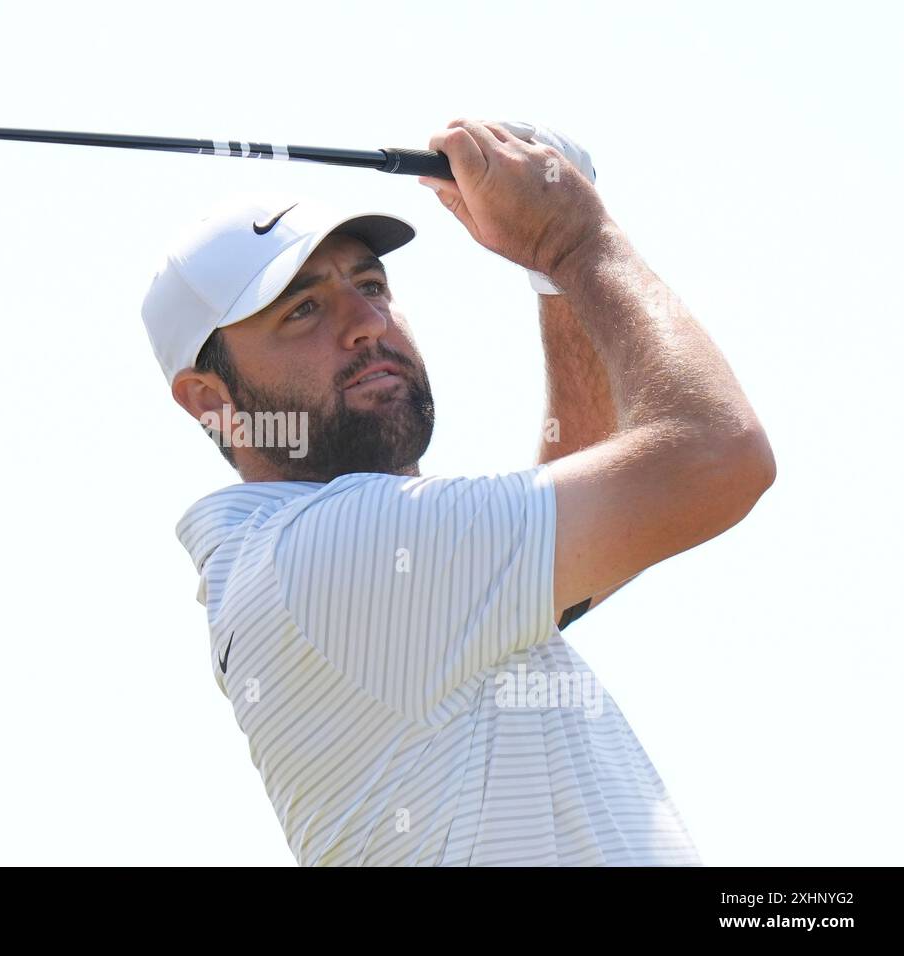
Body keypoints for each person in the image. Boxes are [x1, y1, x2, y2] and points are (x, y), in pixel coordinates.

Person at [139, 119, 775, 866]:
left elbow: (593, 490)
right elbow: (717, 459)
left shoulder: (346, 570)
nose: (366, 322)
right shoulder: (327, 553)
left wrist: (554, 276)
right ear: (210, 399)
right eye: (303, 308)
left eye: (370, 285)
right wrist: (577, 242)